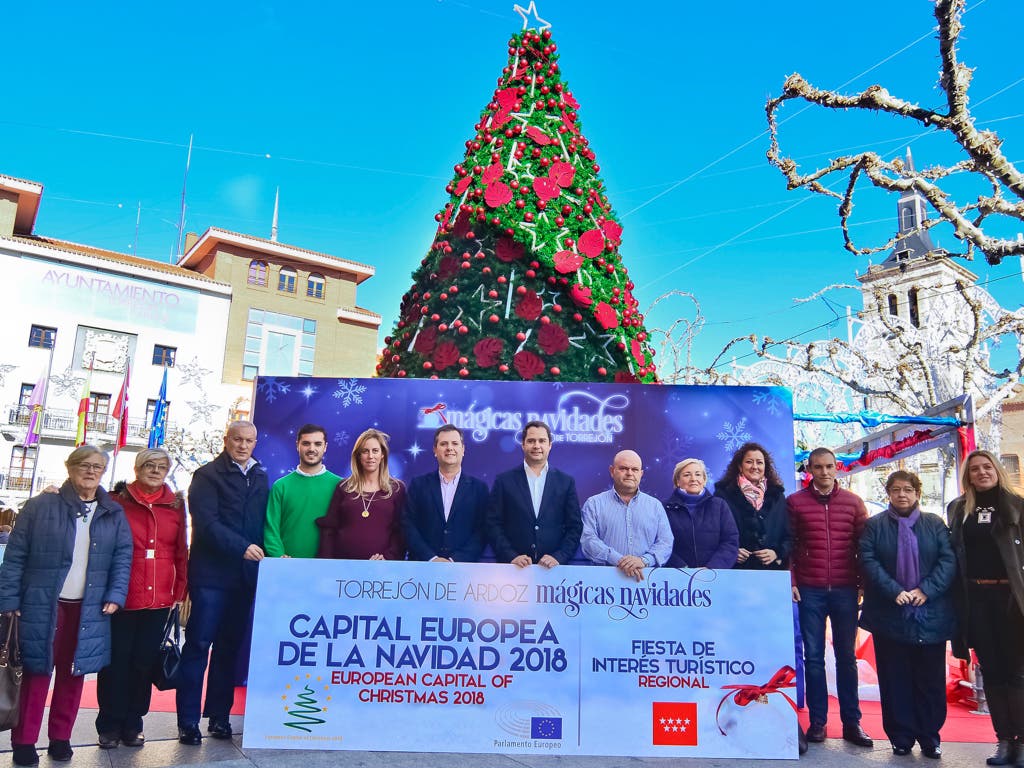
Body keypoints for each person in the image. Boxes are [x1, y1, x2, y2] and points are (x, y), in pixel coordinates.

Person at [0, 446, 131, 767]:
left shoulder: (112, 512)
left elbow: (123, 557)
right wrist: (10, 599)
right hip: (42, 604)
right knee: (36, 673)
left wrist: (116, 594)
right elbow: (15, 556)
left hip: (89, 608)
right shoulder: (40, 506)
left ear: (104, 472)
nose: (90, 471)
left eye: (97, 467)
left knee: (74, 676)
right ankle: (25, 741)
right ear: (70, 468)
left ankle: (61, 738)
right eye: (84, 465)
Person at [176, 420, 268, 746]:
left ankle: (219, 717)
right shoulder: (206, 476)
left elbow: (262, 526)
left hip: (243, 579)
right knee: (199, 646)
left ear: (255, 443)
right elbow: (207, 524)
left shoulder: (260, 476)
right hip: (211, 577)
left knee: (228, 650)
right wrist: (241, 547)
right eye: (237, 439)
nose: (243, 445)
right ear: (226, 440)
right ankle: (188, 721)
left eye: (249, 441)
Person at [96, 448, 187, 750]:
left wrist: (180, 589)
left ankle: (134, 723)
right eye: (149, 465)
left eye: (161, 466)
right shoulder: (116, 500)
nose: (155, 470)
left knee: (143, 662)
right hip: (122, 595)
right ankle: (109, 723)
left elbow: (180, 550)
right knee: (116, 662)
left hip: (159, 596)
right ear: (137, 468)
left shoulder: (175, 504)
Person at [860, 470, 955, 759]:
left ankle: (930, 737)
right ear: (888, 493)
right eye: (896, 489)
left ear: (917, 494)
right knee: (894, 679)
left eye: (908, 489)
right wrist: (893, 590)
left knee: (929, 681)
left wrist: (926, 590)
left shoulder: (934, 524)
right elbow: (867, 558)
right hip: (890, 614)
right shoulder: (874, 526)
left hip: (930, 615)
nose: (902, 494)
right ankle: (900, 737)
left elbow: (948, 559)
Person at [787, 447, 872, 747]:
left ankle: (852, 723)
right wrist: (793, 580)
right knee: (813, 658)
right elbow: (789, 546)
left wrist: (862, 582)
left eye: (829, 467)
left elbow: (866, 546)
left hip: (846, 589)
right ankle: (818, 723)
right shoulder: (795, 503)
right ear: (809, 469)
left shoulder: (853, 503)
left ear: (837, 468)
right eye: (818, 467)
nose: (824, 473)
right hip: (809, 589)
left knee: (846, 658)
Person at [948, 450, 1024, 767]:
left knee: (1018, 673)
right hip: (976, 600)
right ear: (968, 476)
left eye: (987, 467)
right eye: (975, 469)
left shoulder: (1017, 504)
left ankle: (1022, 743)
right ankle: (1004, 741)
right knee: (991, 672)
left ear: (996, 470)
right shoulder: (958, 509)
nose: (982, 472)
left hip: (1012, 600)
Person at [487, 421, 582, 568]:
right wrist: (511, 556)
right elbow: (493, 524)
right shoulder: (504, 481)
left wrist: (559, 557)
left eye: (542, 441)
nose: (536, 446)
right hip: (513, 571)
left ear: (550, 445)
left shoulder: (566, 482)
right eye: (531, 441)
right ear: (523, 445)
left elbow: (574, 527)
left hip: (553, 571)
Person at [580, 450, 673, 580]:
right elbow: (588, 540)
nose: (629, 473)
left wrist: (643, 561)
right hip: (603, 584)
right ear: (612, 471)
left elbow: (666, 542)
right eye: (623, 468)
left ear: (641, 474)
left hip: (646, 583)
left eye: (635, 469)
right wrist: (619, 560)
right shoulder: (594, 504)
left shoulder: (655, 506)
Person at [317, 428, 406, 560]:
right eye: (365, 451)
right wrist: (327, 564)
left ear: (383, 455)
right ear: (358, 456)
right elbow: (329, 530)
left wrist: (388, 558)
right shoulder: (344, 487)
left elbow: (401, 531)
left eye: (375, 451)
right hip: (343, 566)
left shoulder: (397, 489)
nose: (370, 456)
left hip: (382, 569)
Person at [403, 425, 489, 562]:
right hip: (422, 569)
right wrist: (431, 558)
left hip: (464, 571)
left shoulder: (479, 489)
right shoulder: (418, 485)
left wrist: (454, 560)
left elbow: (482, 531)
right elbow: (408, 525)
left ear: (463, 450)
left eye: (455, 443)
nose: (449, 448)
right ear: (435, 450)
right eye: (444, 444)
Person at [264, 424, 341, 558]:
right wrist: (279, 556)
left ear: (325, 447)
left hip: (329, 568)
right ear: (297, 445)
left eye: (317, 444)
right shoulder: (281, 486)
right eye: (306, 443)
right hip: (288, 566)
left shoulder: (340, 486)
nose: (312, 449)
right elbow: (271, 529)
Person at [714, 441, 791, 571]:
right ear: (740, 466)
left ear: (765, 467)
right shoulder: (723, 494)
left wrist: (776, 553)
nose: (755, 466)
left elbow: (788, 535)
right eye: (749, 462)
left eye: (759, 462)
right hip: (735, 571)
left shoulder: (778, 496)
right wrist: (731, 551)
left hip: (770, 572)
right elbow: (713, 534)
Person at [662, 458, 738, 569]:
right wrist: (682, 568)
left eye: (698, 474)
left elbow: (730, 541)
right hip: (677, 578)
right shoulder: (664, 508)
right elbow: (660, 543)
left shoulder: (719, 506)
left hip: (714, 577)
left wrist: (712, 568)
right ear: (677, 481)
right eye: (687, 475)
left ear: (704, 480)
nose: (693, 479)